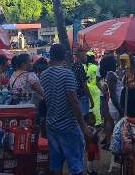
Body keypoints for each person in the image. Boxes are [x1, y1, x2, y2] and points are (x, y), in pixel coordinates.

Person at [40, 44, 91, 175]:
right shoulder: (67, 74)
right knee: (76, 165)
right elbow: (74, 101)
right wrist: (83, 125)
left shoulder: (44, 75)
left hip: (51, 124)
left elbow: (45, 100)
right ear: (64, 56)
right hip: (68, 125)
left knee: (56, 165)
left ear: (50, 56)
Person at [72, 51, 94, 116]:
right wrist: (91, 98)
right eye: (85, 56)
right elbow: (84, 85)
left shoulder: (73, 66)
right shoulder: (80, 67)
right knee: (84, 117)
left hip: (76, 96)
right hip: (82, 96)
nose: (86, 57)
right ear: (80, 57)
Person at [85, 54, 102, 126]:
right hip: (95, 87)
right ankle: (98, 122)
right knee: (96, 105)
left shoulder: (86, 67)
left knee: (90, 105)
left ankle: (91, 121)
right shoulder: (94, 67)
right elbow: (99, 76)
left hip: (88, 87)